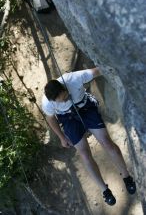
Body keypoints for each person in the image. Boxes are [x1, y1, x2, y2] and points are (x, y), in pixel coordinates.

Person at [42, 67, 136, 206]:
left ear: (64, 88)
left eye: (65, 97)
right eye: (59, 101)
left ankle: (127, 177)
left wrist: (121, 70)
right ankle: (105, 190)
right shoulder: (47, 103)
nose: (63, 101)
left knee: (107, 143)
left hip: (86, 107)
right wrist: (62, 137)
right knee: (84, 154)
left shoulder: (74, 78)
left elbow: (100, 69)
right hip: (68, 118)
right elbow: (51, 119)